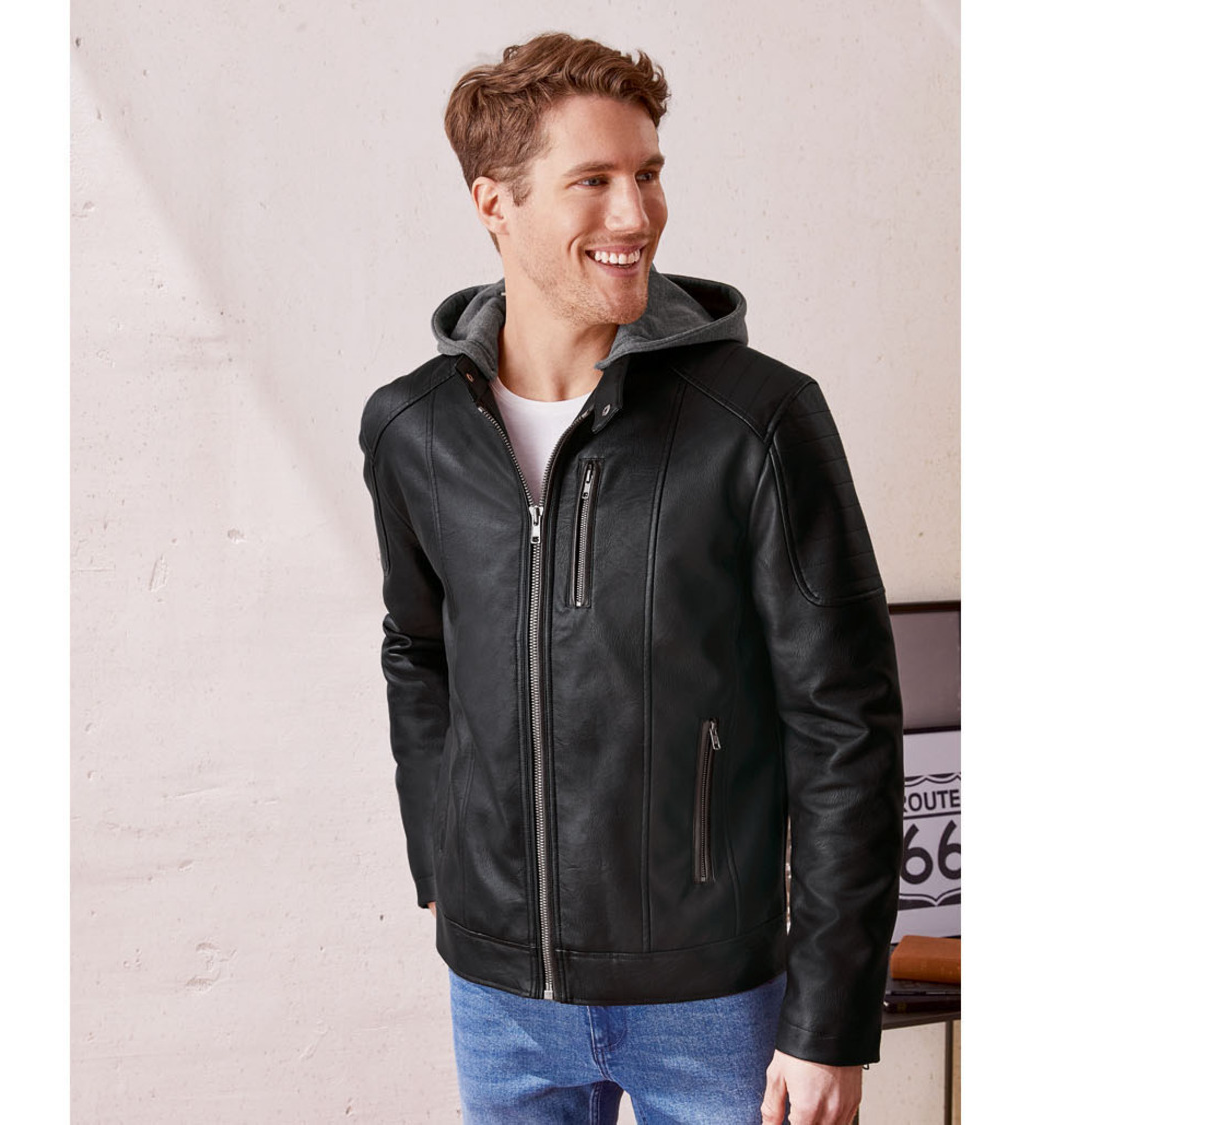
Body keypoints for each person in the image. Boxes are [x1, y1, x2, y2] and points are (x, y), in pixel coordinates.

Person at [357, 32, 903, 1125]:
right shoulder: (414, 428)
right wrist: (446, 867)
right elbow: (417, 649)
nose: (637, 213)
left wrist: (830, 1017)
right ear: (494, 202)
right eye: (594, 180)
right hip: (499, 998)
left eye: (648, 174)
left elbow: (845, 722)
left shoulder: (757, 420)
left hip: (714, 999)